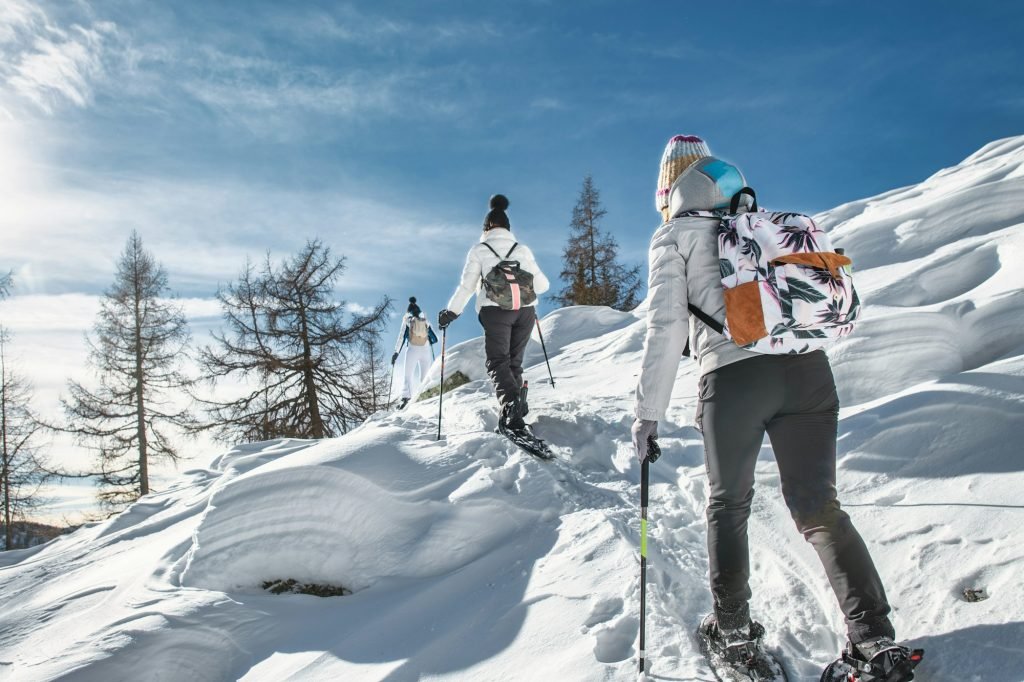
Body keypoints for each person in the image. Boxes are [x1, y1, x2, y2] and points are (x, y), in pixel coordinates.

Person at [633, 135, 913, 678]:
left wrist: (648, 414)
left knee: (729, 505)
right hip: (809, 374)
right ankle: (873, 639)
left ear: (668, 187)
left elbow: (666, 328)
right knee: (819, 509)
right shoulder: (760, 222)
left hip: (734, 380)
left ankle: (734, 636)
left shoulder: (675, 235)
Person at [437, 194, 550, 435]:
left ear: (486, 228)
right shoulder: (522, 249)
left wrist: (451, 312)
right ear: (508, 228)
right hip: (525, 312)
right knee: (514, 362)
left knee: (498, 361)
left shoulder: (479, 250)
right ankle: (515, 407)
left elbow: (467, 287)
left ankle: (510, 408)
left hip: (495, 312)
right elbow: (542, 286)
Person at [392, 297, 438, 410]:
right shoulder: (424, 320)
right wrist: (429, 341)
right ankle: (426, 396)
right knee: (426, 375)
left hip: (412, 349)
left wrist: (396, 353)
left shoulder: (407, 319)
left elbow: (401, 337)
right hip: (425, 350)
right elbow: (435, 338)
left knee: (408, 375)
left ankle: (406, 398)